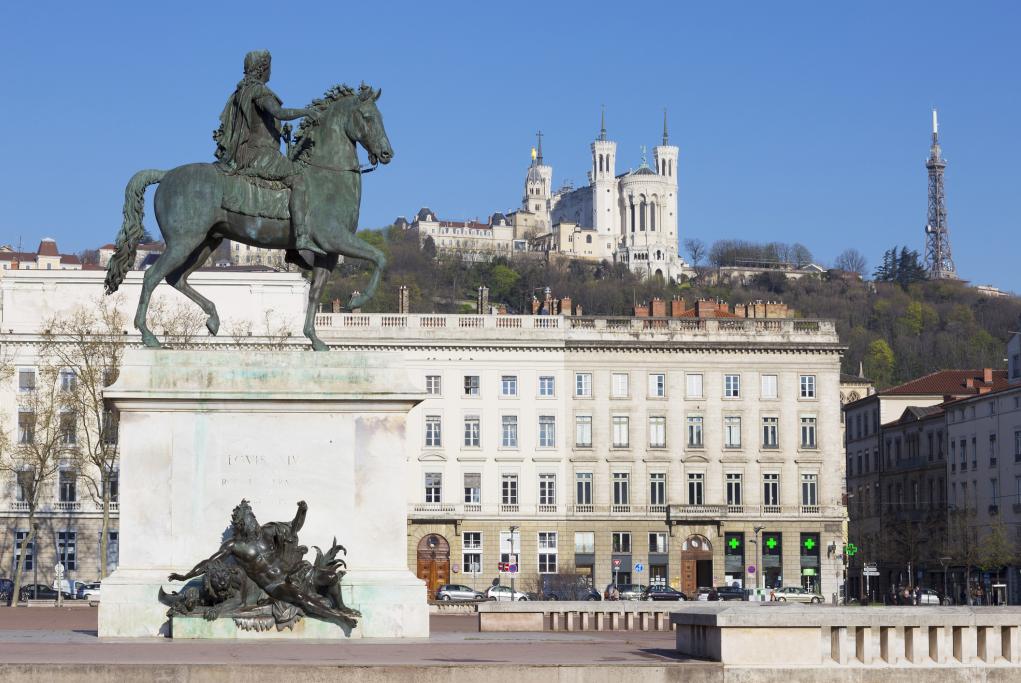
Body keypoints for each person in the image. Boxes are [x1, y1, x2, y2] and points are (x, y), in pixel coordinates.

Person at [214, 50, 324, 258]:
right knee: (300, 181)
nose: (271, 71)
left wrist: (282, 135)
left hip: (252, 151)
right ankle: (299, 239)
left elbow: (261, 125)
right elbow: (279, 113)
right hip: (259, 154)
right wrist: (306, 112)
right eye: (270, 66)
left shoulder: (242, 91)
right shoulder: (258, 91)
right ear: (262, 68)